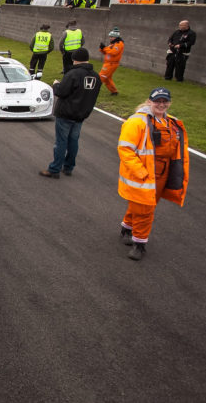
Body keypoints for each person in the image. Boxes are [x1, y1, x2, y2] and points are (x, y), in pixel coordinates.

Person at [116, 87, 189, 261]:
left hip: (163, 174)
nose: (161, 105)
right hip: (143, 174)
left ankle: (127, 228)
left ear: (169, 103)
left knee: (143, 205)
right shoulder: (137, 122)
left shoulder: (172, 122)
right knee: (145, 209)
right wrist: (141, 172)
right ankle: (139, 244)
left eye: (165, 101)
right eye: (158, 101)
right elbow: (125, 149)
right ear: (149, 102)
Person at [39, 48, 102, 179]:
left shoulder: (73, 74)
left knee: (61, 142)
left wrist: (56, 84)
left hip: (66, 113)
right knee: (73, 141)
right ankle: (68, 167)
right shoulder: (96, 76)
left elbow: (61, 91)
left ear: (75, 59)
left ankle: (54, 169)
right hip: (81, 114)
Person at [99, 28, 124, 95]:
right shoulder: (113, 44)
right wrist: (101, 49)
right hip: (108, 63)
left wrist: (104, 48)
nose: (110, 38)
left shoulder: (119, 44)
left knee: (101, 77)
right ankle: (114, 92)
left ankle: (92, 90)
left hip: (111, 64)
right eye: (110, 36)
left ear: (116, 37)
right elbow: (107, 52)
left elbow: (113, 52)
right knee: (107, 79)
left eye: (111, 37)